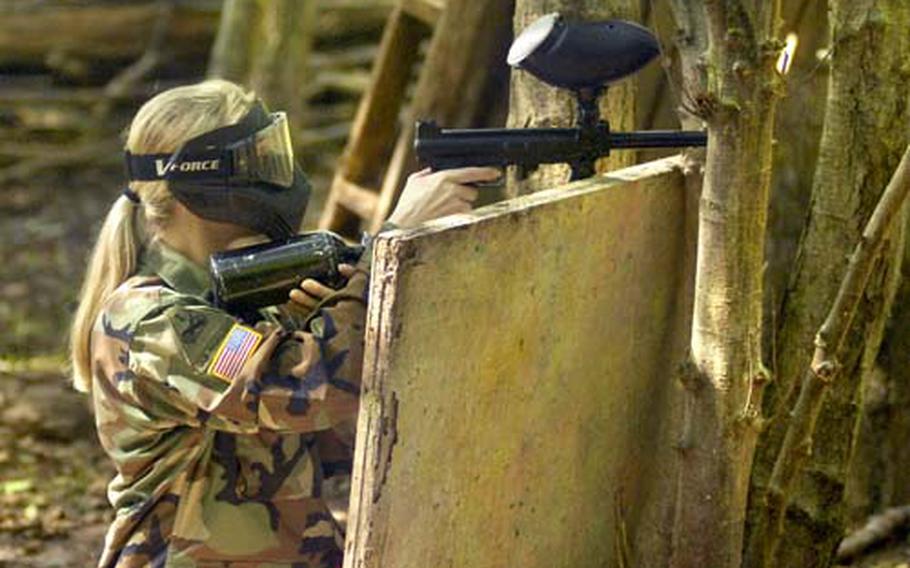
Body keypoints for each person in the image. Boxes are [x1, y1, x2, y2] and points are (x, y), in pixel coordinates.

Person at [68, 79, 500, 568]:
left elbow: (336, 436)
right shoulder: (148, 321)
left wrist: (345, 310)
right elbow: (310, 390)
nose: (277, 178)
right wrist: (386, 252)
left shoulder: (238, 304)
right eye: (257, 164)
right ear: (200, 186)